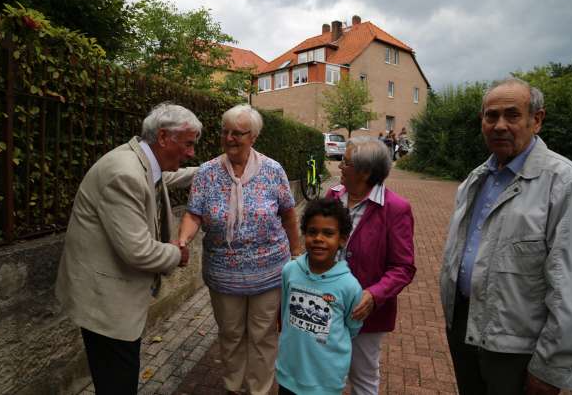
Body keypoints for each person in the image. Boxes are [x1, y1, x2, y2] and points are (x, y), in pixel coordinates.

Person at [439, 78, 572, 395]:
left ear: (536, 120)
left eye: (512, 115)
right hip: (464, 327)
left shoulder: (565, 183)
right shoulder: (477, 178)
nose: (500, 125)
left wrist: (550, 369)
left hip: (518, 348)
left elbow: (571, 288)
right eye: (491, 116)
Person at [55, 102, 202, 394]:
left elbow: (164, 178)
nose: (191, 152)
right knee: (118, 383)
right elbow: (139, 251)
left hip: (110, 298)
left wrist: (211, 169)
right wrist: (178, 253)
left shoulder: (138, 159)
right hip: (106, 305)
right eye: (188, 144)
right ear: (163, 137)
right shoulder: (125, 174)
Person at [178, 104, 301, 395]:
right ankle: (233, 387)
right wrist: (183, 239)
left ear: (253, 137)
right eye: (226, 132)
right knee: (231, 334)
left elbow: (288, 214)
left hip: (269, 272)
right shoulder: (207, 172)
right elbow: (193, 213)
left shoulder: (273, 170)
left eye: (238, 133)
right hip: (224, 273)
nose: (230, 138)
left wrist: (296, 254)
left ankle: (258, 390)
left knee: (263, 335)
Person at [326, 136, 416, 395]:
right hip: (328, 303)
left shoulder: (396, 208)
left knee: (363, 376)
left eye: (345, 163)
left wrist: (374, 296)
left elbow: (403, 267)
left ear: (364, 172)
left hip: (364, 312)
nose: (339, 167)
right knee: (327, 370)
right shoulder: (334, 196)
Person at [276, 198, 363, 395]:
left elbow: (352, 328)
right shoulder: (290, 271)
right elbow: (284, 314)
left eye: (329, 233)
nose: (319, 239)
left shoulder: (349, 286)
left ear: (343, 239)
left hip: (326, 381)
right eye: (312, 232)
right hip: (289, 374)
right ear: (304, 233)